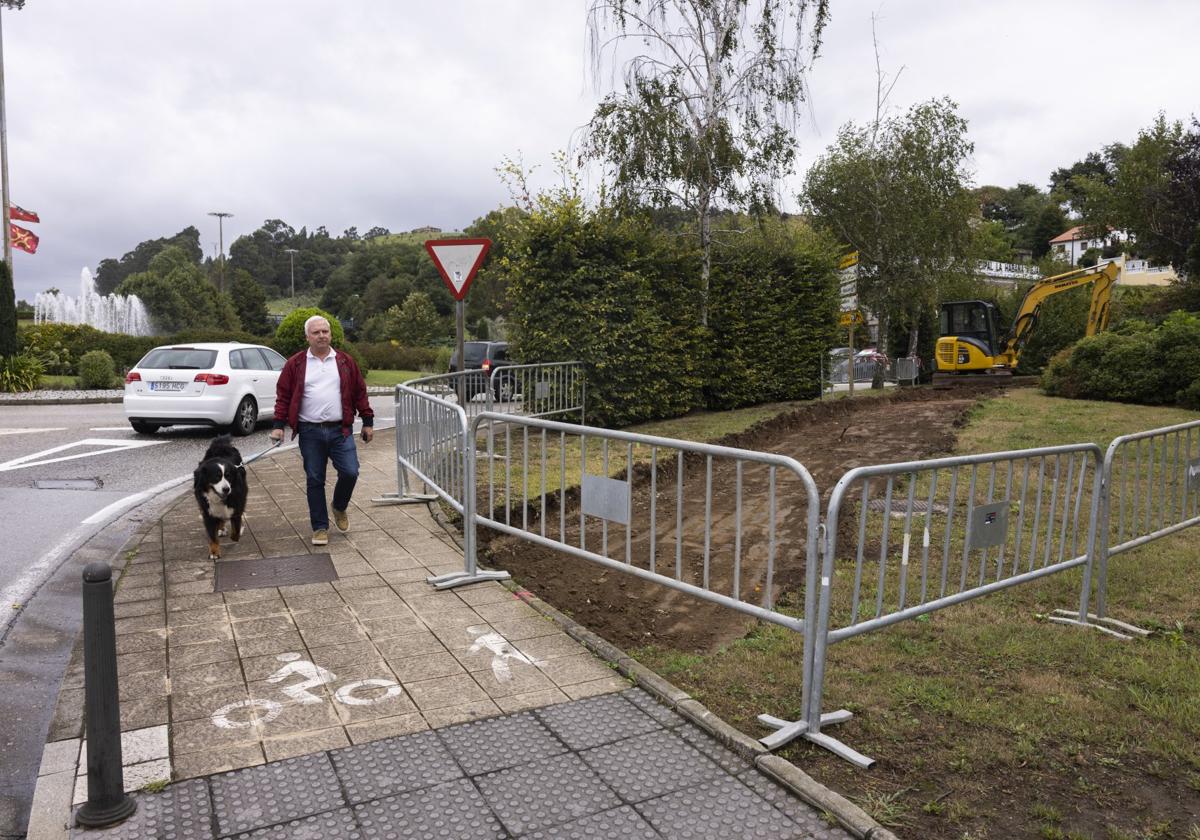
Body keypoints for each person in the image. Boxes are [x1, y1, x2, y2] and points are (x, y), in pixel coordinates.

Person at [270, 315, 374, 545]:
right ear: (307, 336)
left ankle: (339, 506)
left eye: (325, 331)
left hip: (341, 430)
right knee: (315, 479)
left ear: (331, 334)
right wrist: (278, 426)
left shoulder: (345, 362)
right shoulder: (295, 364)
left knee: (350, 472)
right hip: (310, 432)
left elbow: (359, 392)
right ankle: (319, 527)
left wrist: (367, 421)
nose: (321, 336)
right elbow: (284, 396)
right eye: (316, 332)